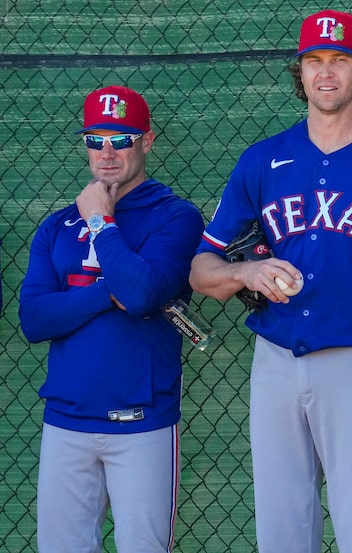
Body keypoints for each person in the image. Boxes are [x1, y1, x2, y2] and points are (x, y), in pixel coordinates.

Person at [188, 9, 352, 553]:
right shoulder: (262, 160)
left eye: (340, 60)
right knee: (280, 531)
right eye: (314, 61)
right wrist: (246, 270)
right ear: (299, 72)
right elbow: (201, 270)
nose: (327, 73)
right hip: (274, 360)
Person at [18, 85, 204, 552]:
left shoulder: (176, 217)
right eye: (94, 138)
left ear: (147, 141)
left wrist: (101, 224)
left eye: (121, 139)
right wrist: (110, 291)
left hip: (141, 421)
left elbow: (141, 294)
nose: (106, 151)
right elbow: (35, 318)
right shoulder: (58, 224)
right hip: (66, 420)